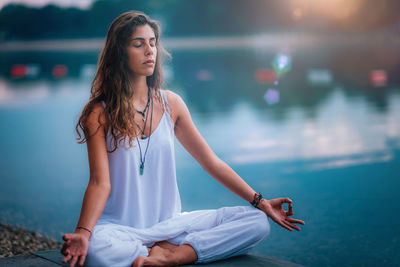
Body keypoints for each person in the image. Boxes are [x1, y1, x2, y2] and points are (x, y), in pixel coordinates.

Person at [61, 11, 305, 267]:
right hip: (121, 230)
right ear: (119, 52)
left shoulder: (171, 104)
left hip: (170, 225)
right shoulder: (99, 114)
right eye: (138, 44)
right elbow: (100, 183)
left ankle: (172, 256)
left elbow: (211, 162)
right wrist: (83, 233)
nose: (149, 51)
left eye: (153, 42)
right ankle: (161, 252)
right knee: (96, 252)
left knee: (257, 223)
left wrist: (261, 202)